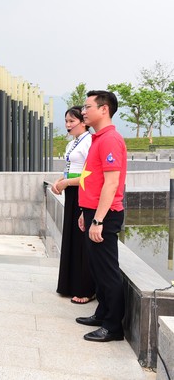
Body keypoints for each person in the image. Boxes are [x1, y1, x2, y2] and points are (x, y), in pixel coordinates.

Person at [75, 90, 127, 343]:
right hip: (94, 213)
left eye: (87, 107)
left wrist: (98, 220)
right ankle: (102, 313)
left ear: (103, 109)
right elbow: (93, 181)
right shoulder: (98, 138)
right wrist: (87, 214)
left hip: (105, 216)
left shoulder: (110, 140)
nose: (83, 111)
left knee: (107, 272)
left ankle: (113, 327)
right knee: (97, 269)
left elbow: (111, 183)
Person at [51, 106, 94, 304]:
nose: (68, 125)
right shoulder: (73, 143)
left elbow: (89, 174)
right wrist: (59, 181)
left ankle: (85, 288)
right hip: (71, 191)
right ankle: (69, 284)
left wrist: (66, 182)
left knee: (80, 239)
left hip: (82, 191)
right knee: (71, 236)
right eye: (66, 121)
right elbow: (70, 169)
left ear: (83, 122)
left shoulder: (89, 142)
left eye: (72, 121)